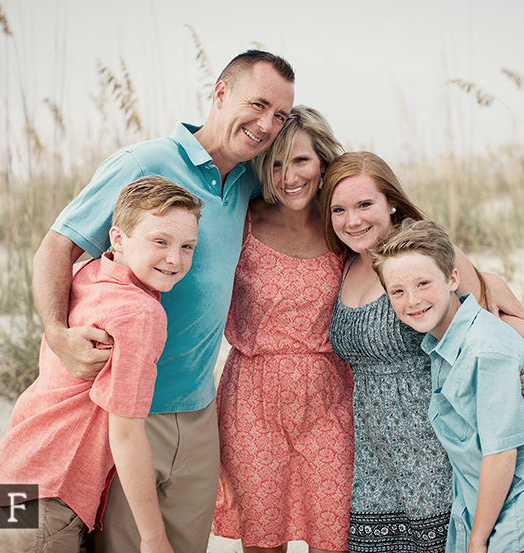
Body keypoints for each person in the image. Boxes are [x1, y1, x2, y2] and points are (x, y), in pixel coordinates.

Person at [30, 50, 295, 553]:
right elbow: (57, 245)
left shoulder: (249, 177)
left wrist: (475, 274)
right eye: (258, 104)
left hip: (199, 409)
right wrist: (56, 334)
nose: (266, 125)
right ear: (220, 93)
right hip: (127, 410)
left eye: (279, 115)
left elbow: (351, 197)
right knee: (77, 538)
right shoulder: (144, 164)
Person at [324, 151, 524, 552]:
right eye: (339, 209)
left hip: (436, 446)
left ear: (391, 201)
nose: (353, 220)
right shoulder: (344, 263)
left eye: (365, 204)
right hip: (373, 456)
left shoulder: (421, 255)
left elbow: (491, 314)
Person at [0, 177, 202, 553]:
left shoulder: (89, 274)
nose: (175, 258)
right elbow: (126, 434)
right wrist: (153, 537)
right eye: (160, 241)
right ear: (118, 239)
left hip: (15, 473)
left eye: (188, 246)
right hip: (55, 490)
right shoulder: (139, 313)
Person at [370, 218, 524, 553]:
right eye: (398, 291)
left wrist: (477, 541)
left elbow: (500, 452)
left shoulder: (484, 348)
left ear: (453, 278)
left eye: (423, 283)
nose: (412, 301)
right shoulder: (445, 344)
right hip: (490, 508)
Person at [211, 106, 353, 553]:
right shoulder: (241, 217)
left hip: (330, 396)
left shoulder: (343, 223)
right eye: (275, 163)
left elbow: (416, 241)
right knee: (262, 540)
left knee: (334, 538)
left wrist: (493, 286)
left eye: (300, 160)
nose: (288, 176)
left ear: (323, 162)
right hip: (252, 397)